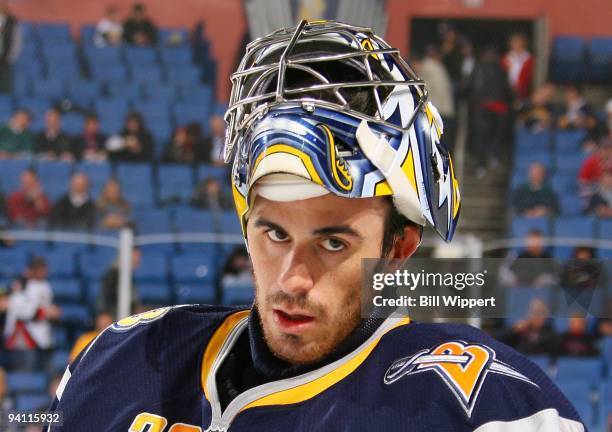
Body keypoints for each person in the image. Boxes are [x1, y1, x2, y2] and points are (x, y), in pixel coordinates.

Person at [46, 21, 584, 431]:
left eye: (332, 241)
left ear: (398, 248)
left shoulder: (482, 405)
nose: (292, 279)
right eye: (274, 233)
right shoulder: (123, 361)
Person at [1, 258, 61, 371]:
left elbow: (45, 308)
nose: (43, 272)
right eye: (39, 270)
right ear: (31, 270)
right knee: (25, 377)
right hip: (22, 339)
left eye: (44, 270)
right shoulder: (21, 285)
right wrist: (48, 312)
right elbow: (24, 311)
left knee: (43, 376)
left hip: (43, 337)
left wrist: (52, 312)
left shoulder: (46, 286)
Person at [467, 46, 512, 177]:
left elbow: (471, 87)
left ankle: (482, 165)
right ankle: (493, 158)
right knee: (495, 135)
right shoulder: (501, 69)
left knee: (481, 137)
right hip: (498, 107)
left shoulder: (477, 68)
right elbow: (506, 88)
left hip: (482, 107)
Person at [414, 46, 455, 150]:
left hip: (437, 110)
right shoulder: (439, 67)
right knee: (442, 145)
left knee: (433, 144)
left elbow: (421, 88)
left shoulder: (426, 67)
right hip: (446, 110)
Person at [97, 248, 141, 317]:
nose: (137, 263)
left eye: (137, 261)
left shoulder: (128, 276)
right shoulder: (112, 275)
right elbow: (105, 301)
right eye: (134, 260)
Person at [501, 33, 533, 101]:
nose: (516, 45)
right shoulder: (506, 58)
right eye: (514, 42)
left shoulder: (528, 58)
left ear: (523, 43)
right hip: (508, 91)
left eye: (518, 42)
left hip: (525, 91)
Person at [0, 1, 20, 94]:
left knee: (5, 89)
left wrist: (10, 57)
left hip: (5, 60)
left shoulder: (12, 22)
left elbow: (17, 42)